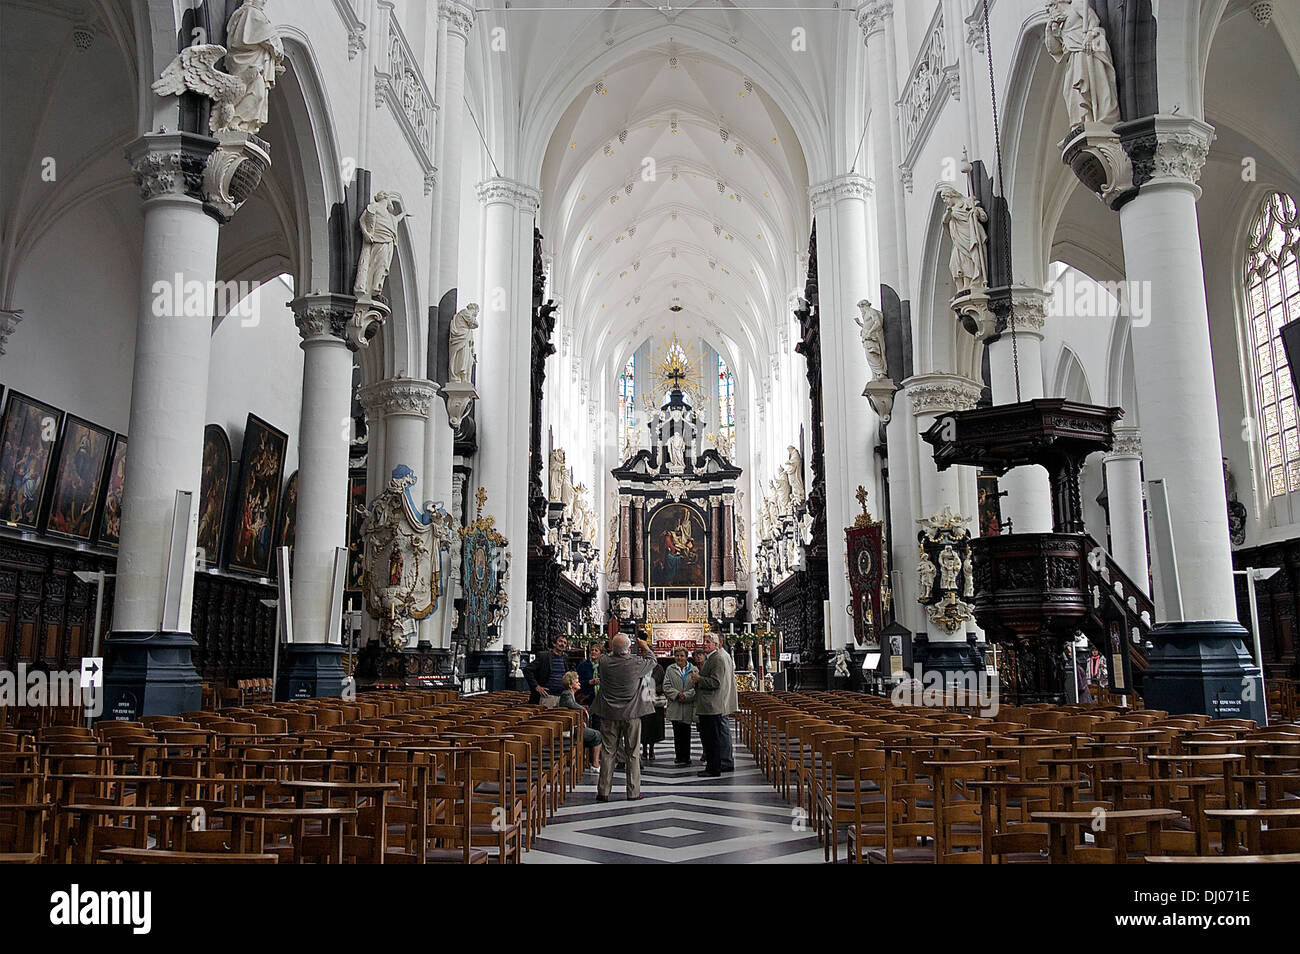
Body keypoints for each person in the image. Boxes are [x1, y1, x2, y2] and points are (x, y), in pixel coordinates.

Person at [590, 634, 657, 802]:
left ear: (612, 648)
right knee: (632, 753)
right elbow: (652, 660)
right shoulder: (635, 663)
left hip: (609, 714)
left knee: (608, 752)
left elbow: (607, 654)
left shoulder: (604, 662)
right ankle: (633, 792)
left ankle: (603, 791)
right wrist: (644, 646)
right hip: (631, 714)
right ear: (628, 649)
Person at [692, 632, 737, 777]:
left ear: (716, 645)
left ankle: (715, 767)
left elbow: (716, 682)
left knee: (713, 737)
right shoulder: (713, 658)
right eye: (704, 641)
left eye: (708, 641)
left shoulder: (717, 659)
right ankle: (716, 764)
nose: (704, 643)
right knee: (711, 737)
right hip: (709, 704)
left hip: (712, 705)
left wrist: (699, 679)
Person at [559, 671, 602, 771]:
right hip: (568, 730)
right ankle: (595, 764)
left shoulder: (571, 694)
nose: (579, 683)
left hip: (573, 726)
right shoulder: (566, 694)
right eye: (577, 682)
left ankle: (588, 761)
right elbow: (571, 705)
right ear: (570, 685)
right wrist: (583, 709)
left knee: (592, 735)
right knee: (598, 735)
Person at [663, 647, 696, 766]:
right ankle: (679, 756)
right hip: (676, 704)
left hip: (687, 704)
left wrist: (686, 695)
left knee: (686, 732)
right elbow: (666, 686)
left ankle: (686, 756)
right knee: (677, 732)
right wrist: (677, 695)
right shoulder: (670, 669)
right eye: (677, 656)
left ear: (686, 657)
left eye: (682, 656)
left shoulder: (694, 669)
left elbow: (696, 687)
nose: (679, 658)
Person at [523, 635, 569, 704]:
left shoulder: (565, 657)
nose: (562, 644)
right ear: (554, 643)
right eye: (560, 641)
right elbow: (527, 670)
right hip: (547, 696)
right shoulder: (543, 656)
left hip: (561, 696)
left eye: (565, 643)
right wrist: (536, 686)